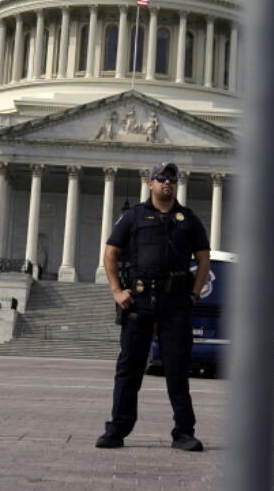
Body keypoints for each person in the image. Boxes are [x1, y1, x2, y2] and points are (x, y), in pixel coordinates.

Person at [96, 161, 210, 451]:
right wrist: (116, 290)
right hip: (139, 299)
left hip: (175, 301)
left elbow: (203, 260)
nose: (167, 183)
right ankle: (117, 429)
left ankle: (183, 432)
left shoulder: (189, 219)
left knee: (177, 368)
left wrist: (194, 294)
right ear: (150, 183)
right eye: (160, 178)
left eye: (171, 178)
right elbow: (110, 253)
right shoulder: (133, 217)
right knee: (129, 368)